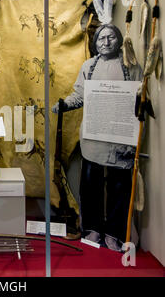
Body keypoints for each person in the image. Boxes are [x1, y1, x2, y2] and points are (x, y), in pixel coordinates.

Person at [52, 24, 143, 252]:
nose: (106, 42)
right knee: (90, 187)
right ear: (95, 43)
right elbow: (80, 95)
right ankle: (91, 228)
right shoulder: (89, 66)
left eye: (111, 37)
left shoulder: (130, 67)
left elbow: (140, 98)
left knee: (118, 189)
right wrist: (65, 105)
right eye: (101, 38)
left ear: (118, 40)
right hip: (93, 139)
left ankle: (115, 233)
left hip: (120, 139)